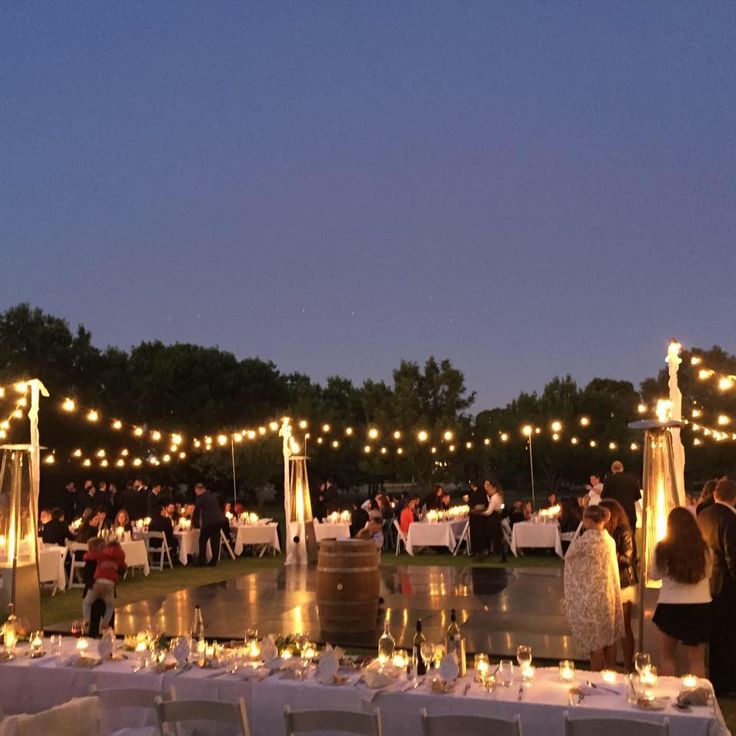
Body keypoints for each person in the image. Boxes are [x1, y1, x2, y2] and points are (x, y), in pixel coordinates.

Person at [650, 507, 711, 677]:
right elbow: (709, 573)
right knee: (697, 660)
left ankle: (668, 695)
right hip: (699, 605)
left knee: (667, 657)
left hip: (670, 605)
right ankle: (699, 699)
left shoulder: (662, 548)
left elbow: (654, 575)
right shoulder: (703, 548)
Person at [563, 505, 624, 671]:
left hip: (592, 596)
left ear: (588, 521)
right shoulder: (609, 540)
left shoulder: (587, 540)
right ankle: (611, 672)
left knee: (596, 641)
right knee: (609, 638)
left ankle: (596, 675)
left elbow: (569, 557)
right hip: (609, 594)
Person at [698, 477, 736, 694]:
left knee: (716, 636)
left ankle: (716, 678)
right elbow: (732, 556)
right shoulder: (730, 520)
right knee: (729, 635)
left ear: (715, 494)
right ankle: (727, 683)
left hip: (709, 582)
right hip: (727, 585)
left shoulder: (704, 515)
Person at [599, 498, 637, 671]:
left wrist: (610, 550)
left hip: (623, 582)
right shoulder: (605, 532)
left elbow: (629, 558)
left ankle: (629, 665)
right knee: (609, 625)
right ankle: (610, 666)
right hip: (608, 582)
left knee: (624, 626)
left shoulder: (623, 531)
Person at [82, 538, 126, 632]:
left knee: (93, 612)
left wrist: (95, 585)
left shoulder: (92, 558)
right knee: (107, 612)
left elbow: (85, 577)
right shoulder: (111, 558)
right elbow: (121, 569)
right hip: (106, 589)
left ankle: (90, 622)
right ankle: (105, 627)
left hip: (94, 589)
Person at [601, 460, 641, 530]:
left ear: (612, 469)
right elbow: (638, 496)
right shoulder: (632, 479)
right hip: (630, 513)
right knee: (631, 536)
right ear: (622, 468)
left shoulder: (609, 480)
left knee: (615, 538)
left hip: (614, 515)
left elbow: (603, 496)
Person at [193, 483, 226, 567]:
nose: (196, 493)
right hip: (219, 520)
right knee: (215, 540)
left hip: (209, 522)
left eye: (196, 491)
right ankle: (213, 561)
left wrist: (193, 523)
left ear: (199, 489)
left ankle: (201, 561)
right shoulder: (212, 495)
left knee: (202, 540)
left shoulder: (200, 497)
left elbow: (196, 510)